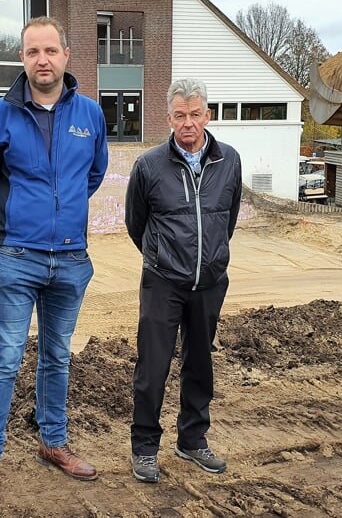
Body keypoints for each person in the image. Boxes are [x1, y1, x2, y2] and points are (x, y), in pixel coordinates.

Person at [0, 16, 108, 506]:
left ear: (66, 55)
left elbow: (93, 175)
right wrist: (26, 216)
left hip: (71, 258)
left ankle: (53, 443)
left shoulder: (90, 114)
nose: (42, 60)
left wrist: (62, 214)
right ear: (23, 59)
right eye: (32, 52)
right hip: (17, 256)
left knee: (57, 357)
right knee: (5, 359)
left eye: (50, 51)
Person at [124, 78, 242, 483]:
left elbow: (227, 218)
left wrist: (209, 258)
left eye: (195, 114)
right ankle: (144, 448)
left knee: (200, 365)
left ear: (207, 116)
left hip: (209, 282)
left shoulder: (229, 161)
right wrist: (163, 258)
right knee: (152, 368)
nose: (188, 123)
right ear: (168, 118)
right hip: (162, 282)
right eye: (180, 115)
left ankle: (192, 440)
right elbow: (135, 224)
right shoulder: (149, 165)